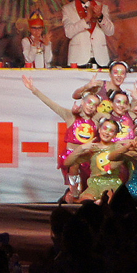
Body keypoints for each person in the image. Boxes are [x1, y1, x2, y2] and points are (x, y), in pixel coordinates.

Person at [23, 74, 101, 202]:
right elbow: (52, 104)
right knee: (75, 181)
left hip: (87, 158)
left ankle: (79, 199)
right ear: (82, 102)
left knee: (87, 190)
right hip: (71, 157)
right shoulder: (70, 116)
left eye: (95, 105)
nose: (91, 106)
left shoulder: (97, 120)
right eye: (89, 102)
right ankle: (74, 194)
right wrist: (34, 90)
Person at [62, 119, 134, 203]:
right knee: (86, 200)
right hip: (94, 185)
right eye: (105, 128)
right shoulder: (93, 148)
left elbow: (115, 165)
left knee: (108, 200)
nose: (107, 132)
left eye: (111, 131)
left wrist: (123, 149)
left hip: (111, 184)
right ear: (99, 130)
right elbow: (67, 163)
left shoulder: (117, 148)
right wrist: (81, 148)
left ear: (115, 135)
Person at [61, 0, 114, 67]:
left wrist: (100, 17)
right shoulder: (67, 9)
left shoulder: (102, 7)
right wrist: (86, 19)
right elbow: (68, 33)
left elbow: (110, 31)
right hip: (78, 59)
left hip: (101, 58)